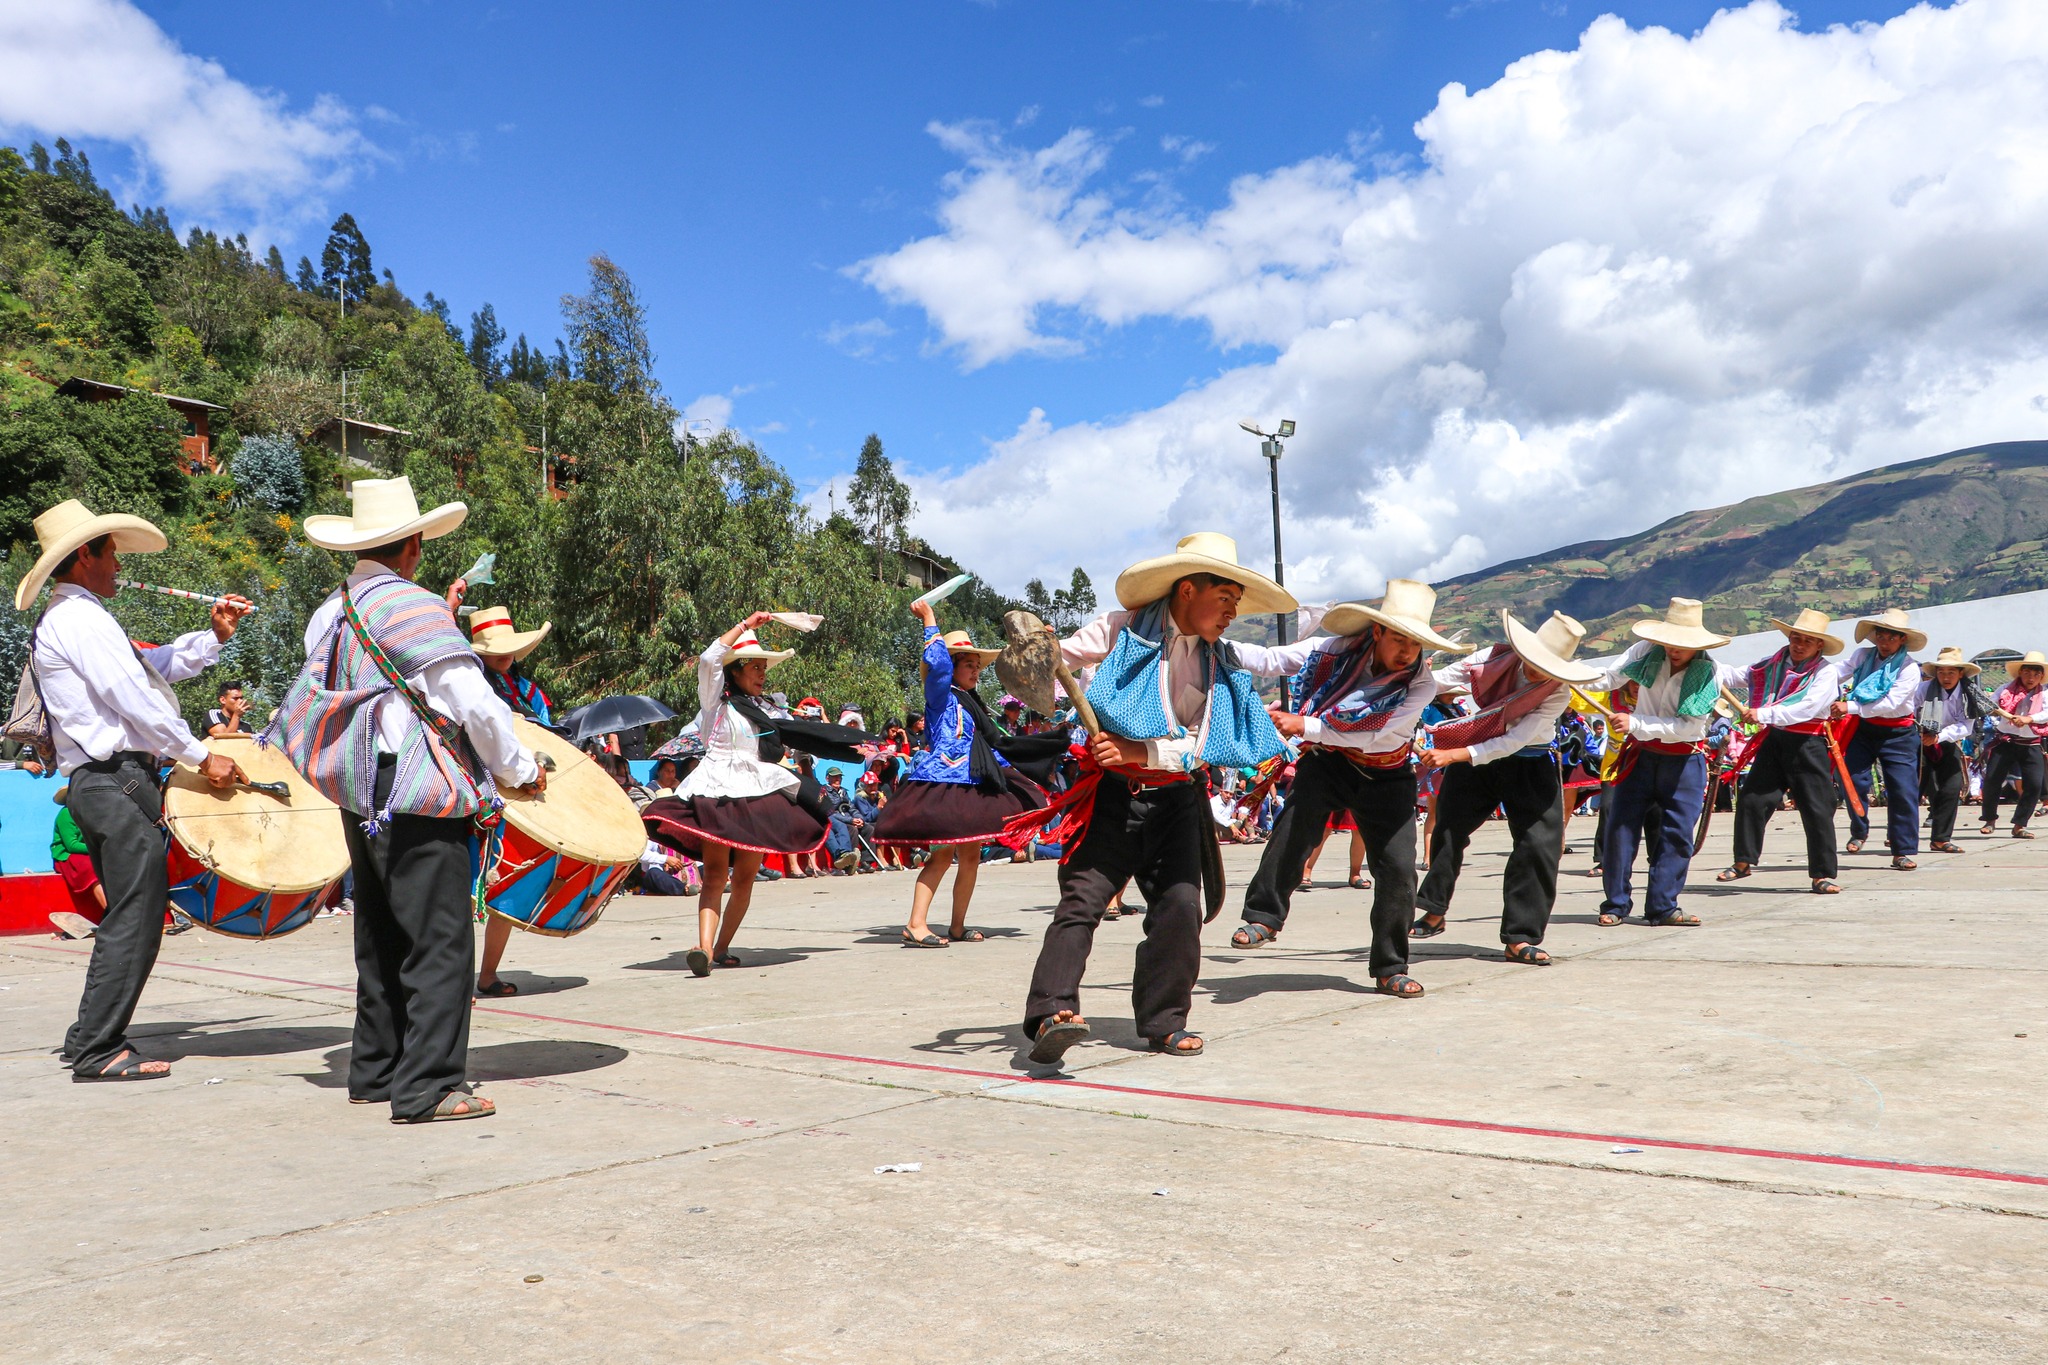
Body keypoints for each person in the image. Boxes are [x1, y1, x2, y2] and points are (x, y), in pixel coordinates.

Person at [279, 477, 543, 1123]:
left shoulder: (331, 609)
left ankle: (374, 1069)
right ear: (416, 543)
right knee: (441, 941)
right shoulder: (416, 604)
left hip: (359, 787)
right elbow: (471, 699)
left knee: (379, 934)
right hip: (420, 789)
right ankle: (429, 1085)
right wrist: (519, 767)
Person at [1011, 533, 1300, 1063]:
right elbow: (1053, 667)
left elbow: (1203, 747)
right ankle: (1051, 1013)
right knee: (1082, 901)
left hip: (1175, 802)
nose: (1233, 611)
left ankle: (1165, 1022)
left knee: (1180, 907)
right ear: (1188, 589)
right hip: (1111, 797)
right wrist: (1031, 654)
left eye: (1237, 602)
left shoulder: (1225, 663)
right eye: (1226, 597)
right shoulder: (1122, 630)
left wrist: (1137, 751)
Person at [15, 500, 251, 1081]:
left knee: (131, 913)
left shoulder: (81, 616)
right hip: (115, 780)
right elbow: (136, 701)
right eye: (111, 551)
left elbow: (150, 670)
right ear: (84, 556)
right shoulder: (80, 620)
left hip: (106, 783)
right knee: (137, 916)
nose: (119, 562)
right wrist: (201, 755)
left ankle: (87, 1035)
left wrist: (213, 637)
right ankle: (98, 1048)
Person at [1233, 579, 1466, 999]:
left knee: (1397, 869)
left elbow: (1372, 736)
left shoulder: (1420, 685)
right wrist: (1211, 644)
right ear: (1376, 632)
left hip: (1386, 775)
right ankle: (1264, 916)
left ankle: (1390, 966)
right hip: (1329, 762)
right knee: (1295, 826)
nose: (1407, 653)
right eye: (1399, 639)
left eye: (1415, 645)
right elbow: (1270, 659)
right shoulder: (1331, 651)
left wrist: (1304, 725)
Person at [640, 614, 830, 976]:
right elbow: (709, 659)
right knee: (714, 875)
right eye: (755, 667)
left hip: (756, 792)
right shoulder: (716, 702)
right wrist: (745, 625)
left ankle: (722, 946)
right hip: (718, 791)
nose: (762, 674)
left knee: (744, 877)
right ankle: (704, 950)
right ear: (737, 670)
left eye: (764, 668)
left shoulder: (765, 709)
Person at [1412, 610, 1598, 966]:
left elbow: (1515, 740)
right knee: (1448, 829)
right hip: (1473, 753)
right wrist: (1403, 686)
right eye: (1533, 660)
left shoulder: (1558, 692)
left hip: (1529, 761)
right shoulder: (1489, 659)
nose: (1536, 670)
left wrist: (1454, 755)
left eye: (1547, 666)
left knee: (1539, 846)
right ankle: (1434, 910)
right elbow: (1437, 681)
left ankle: (1521, 936)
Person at [877, 600, 1054, 946]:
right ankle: (916, 923)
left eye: (978, 666)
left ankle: (957, 926)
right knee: (942, 855)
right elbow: (937, 667)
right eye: (969, 665)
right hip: (944, 782)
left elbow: (988, 744)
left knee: (971, 856)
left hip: (970, 783)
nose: (976, 671)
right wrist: (929, 621)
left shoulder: (973, 705)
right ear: (953, 667)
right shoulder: (941, 696)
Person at [1586, 598, 1739, 927]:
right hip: (1640, 756)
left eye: (1681, 644)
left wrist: (1636, 722)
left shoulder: (1708, 673)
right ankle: (1614, 903)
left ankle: (1663, 905)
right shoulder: (1644, 652)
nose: (1673, 649)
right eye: (1669, 641)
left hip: (1683, 762)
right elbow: (1609, 678)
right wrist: (1568, 677)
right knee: (1620, 829)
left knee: (1677, 834)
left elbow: (1690, 727)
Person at [1719, 608, 1849, 893]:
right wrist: (1704, 662)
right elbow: (1738, 675)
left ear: (1819, 646)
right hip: (1776, 740)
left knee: (1816, 809)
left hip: (1807, 744)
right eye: (1795, 637)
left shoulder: (1826, 672)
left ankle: (1822, 874)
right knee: (1752, 799)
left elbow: (1809, 707)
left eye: (1806, 640)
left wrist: (1764, 714)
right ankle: (1743, 861)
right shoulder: (1773, 665)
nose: (1799, 644)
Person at [465, 604, 555, 997]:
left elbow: (552, 742)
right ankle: (449, 977)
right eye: (494, 649)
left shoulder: (530, 693)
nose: (503, 656)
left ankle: (487, 973)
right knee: (462, 891)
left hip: (519, 797)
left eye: (508, 648)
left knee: (505, 889)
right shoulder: (469, 688)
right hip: (474, 794)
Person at [1835, 608, 1926, 870]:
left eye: (1891, 637)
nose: (1885, 642)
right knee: (1852, 780)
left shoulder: (1909, 669)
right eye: (1881, 636)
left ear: (1902, 640)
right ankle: (1859, 830)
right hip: (1863, 729)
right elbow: (1840, 671)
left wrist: (1849, 707)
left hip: (1898, 733)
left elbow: (1892, 703)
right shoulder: (1863, 656)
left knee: (1902, 789)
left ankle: (1902, 849)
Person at [1918, 646, 1986, 852]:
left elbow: (1965, 727)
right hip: (1919, 743)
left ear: (1960, 673)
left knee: (1951, 788)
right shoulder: (1923, 689)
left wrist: (1939, 736)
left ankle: (1940, 838)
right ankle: (1899, 836)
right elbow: (1910, 712)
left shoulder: (1969, 695)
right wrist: (1922, 733)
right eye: (1941, 672)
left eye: (1951, 672)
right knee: (1911, 791)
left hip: (1947, 742)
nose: (1945, 677)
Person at [1983, 651, 2048, 838]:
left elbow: (2046, 713)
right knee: (1992, 780)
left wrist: (2029, 718)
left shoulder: (2044, 693)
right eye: (2027, 673)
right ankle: (1989, 819)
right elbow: (1991, 705)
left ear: (2041, 676)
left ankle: (2020, 824)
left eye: (2036, 674)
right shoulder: (2005, 689)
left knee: (2035, 785)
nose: (2031, 678)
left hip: (2031, 743)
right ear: (2020, 673)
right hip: (2006, 741)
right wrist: (1997, 712)